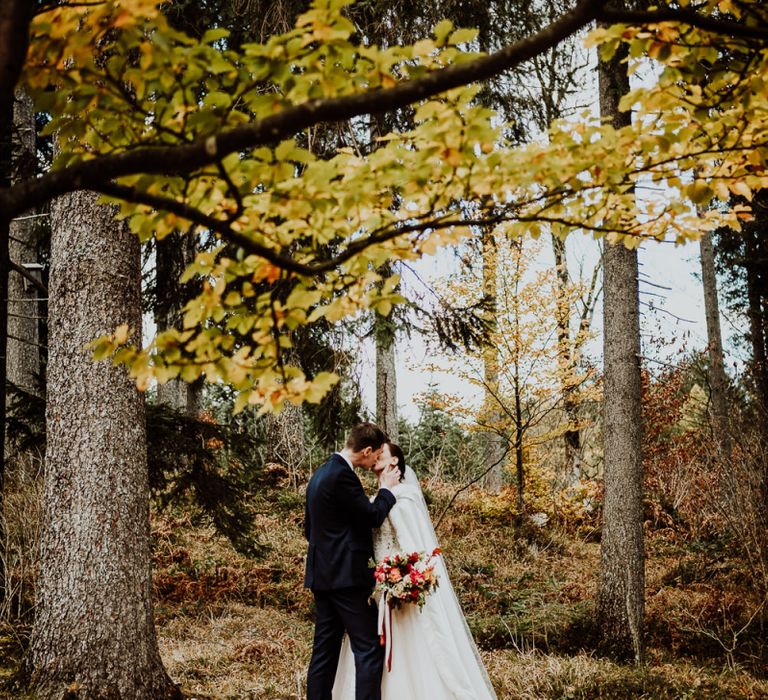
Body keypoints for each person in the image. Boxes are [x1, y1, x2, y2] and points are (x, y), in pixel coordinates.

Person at [333, 442, 497, 699]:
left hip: (402, 587)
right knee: (370, 650)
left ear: (394, 462)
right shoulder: (376, 500)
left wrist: (405, 579)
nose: (375, 454)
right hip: (378, 590)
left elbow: (414, 546)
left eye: (382, 452)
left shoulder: (405, 497)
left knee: (411, 649)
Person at [305, 422, 401, 700]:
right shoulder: (343, 477)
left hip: (322, 576)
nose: (375, 462)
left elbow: (309, 529)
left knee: (324, 651)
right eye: (377, 454)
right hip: (347, 578)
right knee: (369, 647)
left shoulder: (321, 472)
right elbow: (371, 517)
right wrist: (387, 490)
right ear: (367, 450)